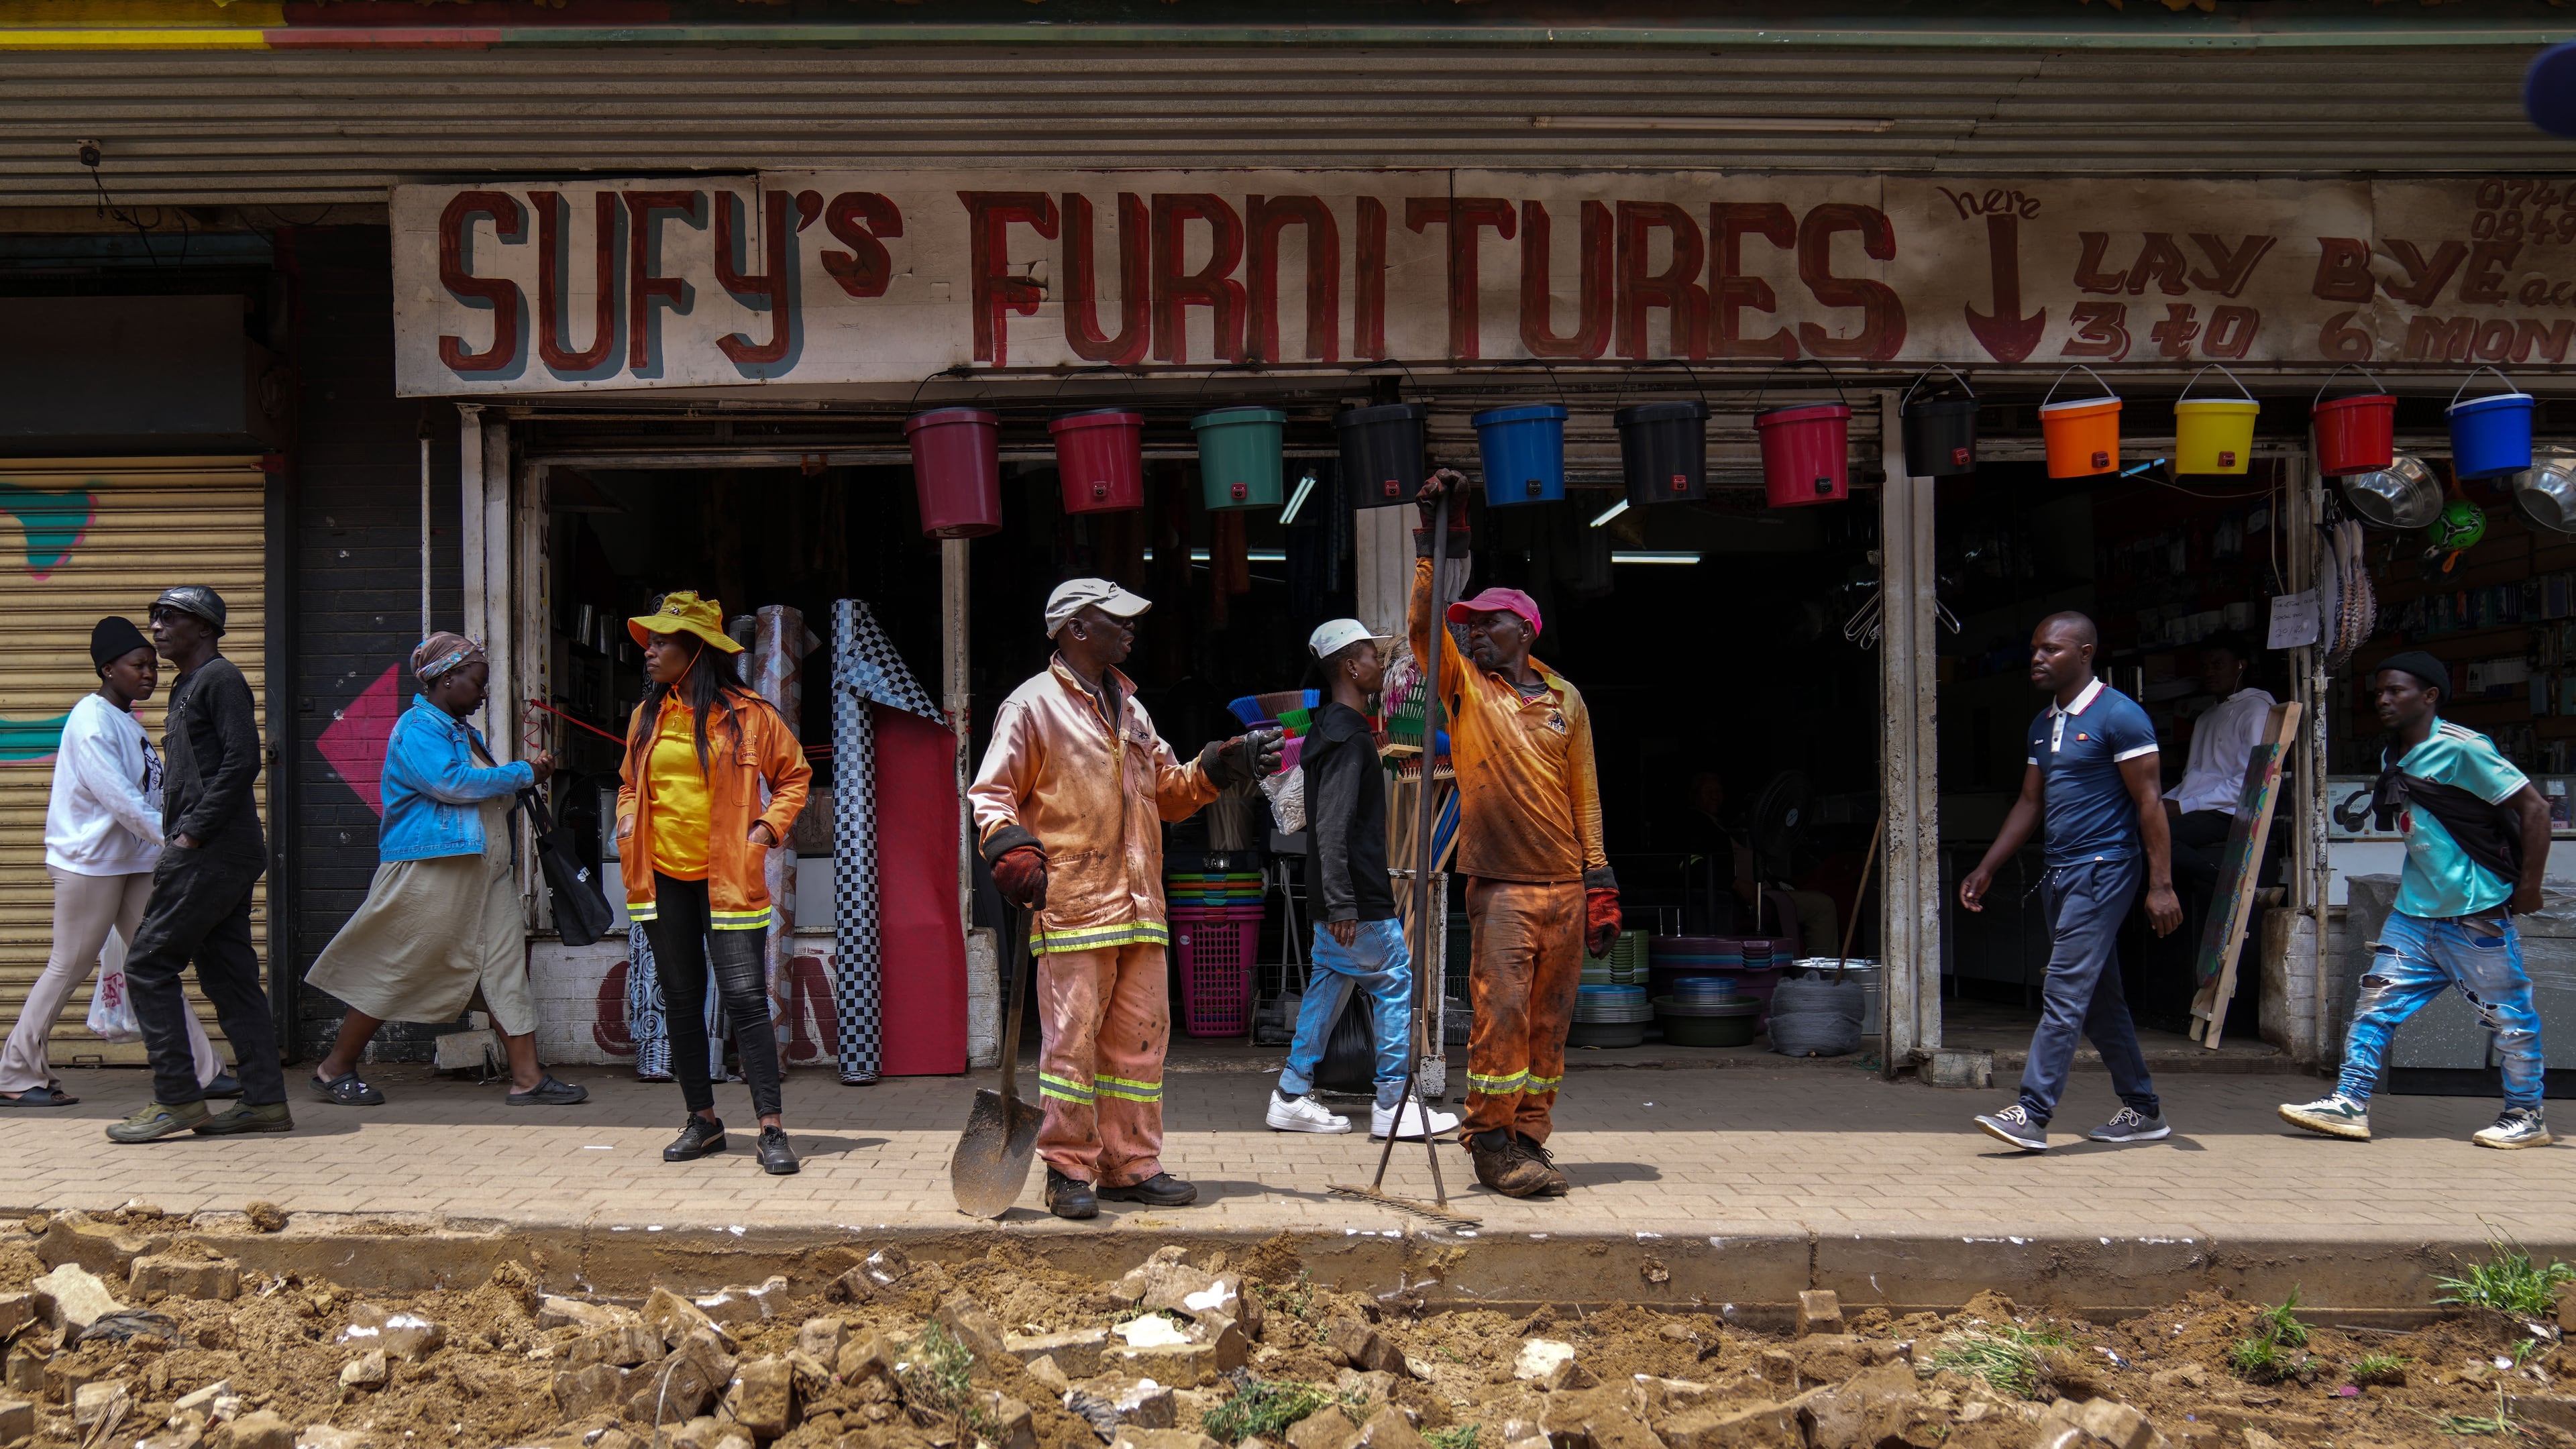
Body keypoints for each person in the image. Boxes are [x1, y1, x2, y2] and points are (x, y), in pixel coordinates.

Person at [969, 578, 1281, 1219]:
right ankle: (1067, 1171)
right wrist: (1010, 849)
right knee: (1071, 1049)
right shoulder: (1031, 707)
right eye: (1119, 621)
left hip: (1141, 908)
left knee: (1139, 1048)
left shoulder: (1133, 711)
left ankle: (1130, 1166)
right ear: (1078, 629)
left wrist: (1222, 764)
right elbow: (993, 795)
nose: (1132, 629)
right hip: (1074, 904)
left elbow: (1169, 791)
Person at [1409, 474, 1619, 1200]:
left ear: (1524, 631)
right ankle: (1489, 1140)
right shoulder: (1469, 690)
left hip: (1564, 888)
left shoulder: (1566, 700)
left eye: (1487, 624)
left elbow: (1585, 798)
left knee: (1549, 1025)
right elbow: (1420, 630)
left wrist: (1602, 884)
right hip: (1500, 889)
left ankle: (1530, 1136)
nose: (1472, 633)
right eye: (1468, 625)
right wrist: (1439, 544)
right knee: (1500, 1018)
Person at [303, 634, 589, 1108]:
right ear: (446, 678)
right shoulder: (418, 727)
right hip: (432, 871)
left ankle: (527, 1078)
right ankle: (334, 1070)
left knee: (505, 968)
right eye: (477, 683)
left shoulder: (459, 731)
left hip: (483, 874)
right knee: (394, 965)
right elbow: (451, 783)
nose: (482, 693)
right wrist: (524, 773)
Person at [2282, 652, 2555, 1149]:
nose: (2383, 701)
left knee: (2509, 1018)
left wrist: (2530, 887)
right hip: (2414, 912)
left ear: (2429, 696)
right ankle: (2349, 1103)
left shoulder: (2464, 748)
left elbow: (2534, 807)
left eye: (2396, 691)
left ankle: (2526, 1114)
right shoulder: (2394, 754)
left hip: (2475, 913)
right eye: (2379, 692)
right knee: (2374, 1008)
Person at [1961, 611, 2183, 1153]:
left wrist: (2161, 884)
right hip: (2060, 872)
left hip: (2105, 868)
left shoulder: (2120, 717)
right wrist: (1987, 866)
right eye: (2035, 648)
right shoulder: (2044, 724)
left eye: (2052, 650)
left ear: (2085, 654)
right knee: (2100, 998)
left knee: (2062, 989)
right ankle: (2144, 1110)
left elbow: (2150, 803)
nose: (2038, 658)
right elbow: (2031, 801)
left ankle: (2032, 1112)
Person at [1, 617, 235, 1108]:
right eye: (138, 665)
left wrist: (164, 844)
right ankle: (17, 1074)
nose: (149, 673)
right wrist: (177, 839)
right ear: (109, 669)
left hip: (131, 862)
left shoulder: (124, 721)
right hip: (90, 865)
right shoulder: (91, 721)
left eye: (152, 665)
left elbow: (148, 794)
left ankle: (202, 1070)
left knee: (156, 961)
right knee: (69, 965)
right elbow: (121, 799)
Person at [616, 592, 811, 1174]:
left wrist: (764, 830)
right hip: (661, 879)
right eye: (648, 640)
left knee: (747, 1000)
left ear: (696, 650)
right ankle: (702, 1121)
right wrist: (627, 819)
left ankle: (771, 1129)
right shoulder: (647, 715)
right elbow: (628, 783)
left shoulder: (751, 715)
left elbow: (796, 777)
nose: (649, 651)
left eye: (662, 641)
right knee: (679, 998)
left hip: (728, 879)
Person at [107, 586, 294, 1142]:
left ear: (205, 627)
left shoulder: (219, 678)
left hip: (211, 851)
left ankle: (178, 1100)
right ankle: (264, 1103)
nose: (157, 627)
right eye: (154, 617)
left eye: (170, 618)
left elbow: (242, 760)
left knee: (147, 964)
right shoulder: (188, 685)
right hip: (220, 850)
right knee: (231, 979)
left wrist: (190, 834)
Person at [1266, 619, 1460, 1141]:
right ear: (1351, 667)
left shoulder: (1328, 730)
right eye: (1373, 657)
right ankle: (1394, 1106)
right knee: (1395, 985)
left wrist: (1333, 901)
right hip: (1355, 898)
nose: (1380, 665)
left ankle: (1289, 1095)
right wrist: (1344, 904)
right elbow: (1331, 826)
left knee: (1328, 988)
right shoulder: (1350, 739)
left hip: (1337, 897)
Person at [2163, 636, 2278, 889]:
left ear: (2240, 665)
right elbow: (2193, 777)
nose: (2210, 672)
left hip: (2231, 811)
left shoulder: (2256, 710)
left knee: (2158, 836)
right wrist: (2162, 802)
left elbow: (2249, 783)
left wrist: (2183, 806)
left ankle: (2225, 884)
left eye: (2218, 665)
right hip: (2200, 806)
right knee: (2137, 826)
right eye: (2205, 667)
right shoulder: (2206, 717)